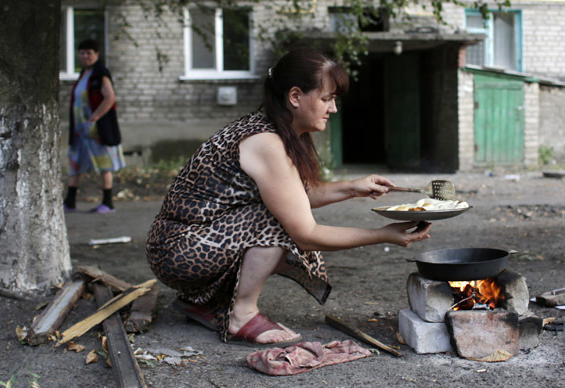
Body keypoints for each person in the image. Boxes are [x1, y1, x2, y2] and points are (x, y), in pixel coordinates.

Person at [146, 48, 432, 346]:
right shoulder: (266, 142)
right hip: (177, 251)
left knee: (280, 211)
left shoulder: (274, 129)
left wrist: (353, 187)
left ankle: (204, 304)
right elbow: (305, 234)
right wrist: (382, 235)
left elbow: (296, 195)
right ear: (295, 96)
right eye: (326, 98)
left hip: (187, 242)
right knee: (277, 220)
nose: (333, 108)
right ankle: (240, 315)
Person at [63, 39, 125, 214]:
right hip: (79, 130)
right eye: (82, 53)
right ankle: (70, 202)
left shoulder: (100, 74)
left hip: (96, 129)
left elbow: (110, 97)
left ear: (97, 54)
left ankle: (107, 203)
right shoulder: (83, 73)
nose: (85, 56)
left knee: (104, 163)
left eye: (89, 53)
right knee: (75, 163)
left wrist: (94, 117)